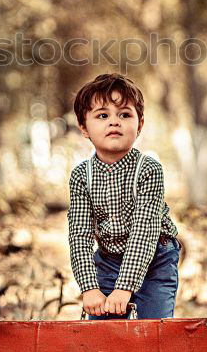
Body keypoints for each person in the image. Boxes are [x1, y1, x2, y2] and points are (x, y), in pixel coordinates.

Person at [67, 72, 180, 320]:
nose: (114, 122)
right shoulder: (81, 176)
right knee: (105, 332)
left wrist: (125, 287)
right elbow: (80, 234)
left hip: (156, 258)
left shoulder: (149, 169)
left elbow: (144, 230)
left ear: (139, 125)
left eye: (125, 114)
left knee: (155, 328)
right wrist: (89, 288)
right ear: (84, 127)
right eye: (103, 115)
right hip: (108, 259)